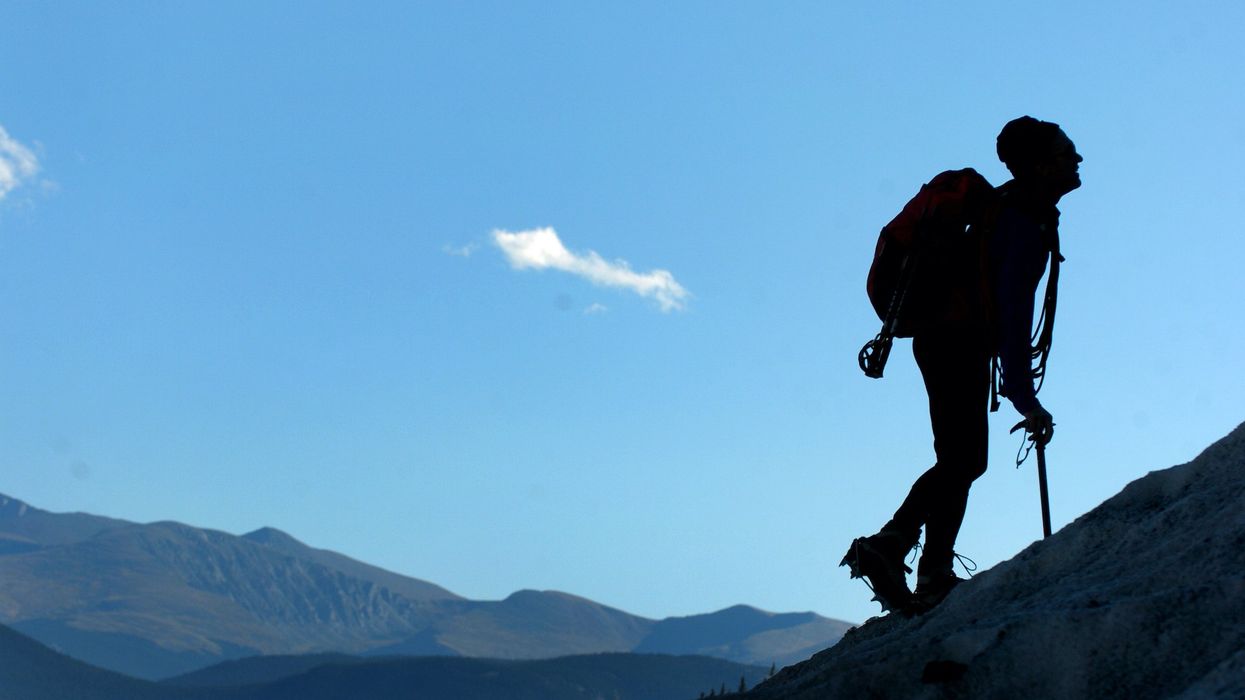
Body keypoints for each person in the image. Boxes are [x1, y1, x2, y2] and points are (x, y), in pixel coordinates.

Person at [842, 117, 1083, 614]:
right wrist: (1024, 397)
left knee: (961, 458)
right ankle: (893, 544)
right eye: (1066, 153)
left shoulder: (1011, 213)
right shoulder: (1020, 221)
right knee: (965, 459)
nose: (1076, 160)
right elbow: (1013, 311)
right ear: (1040, 165)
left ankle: (931, 571)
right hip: (957, 340)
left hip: (944, 339)